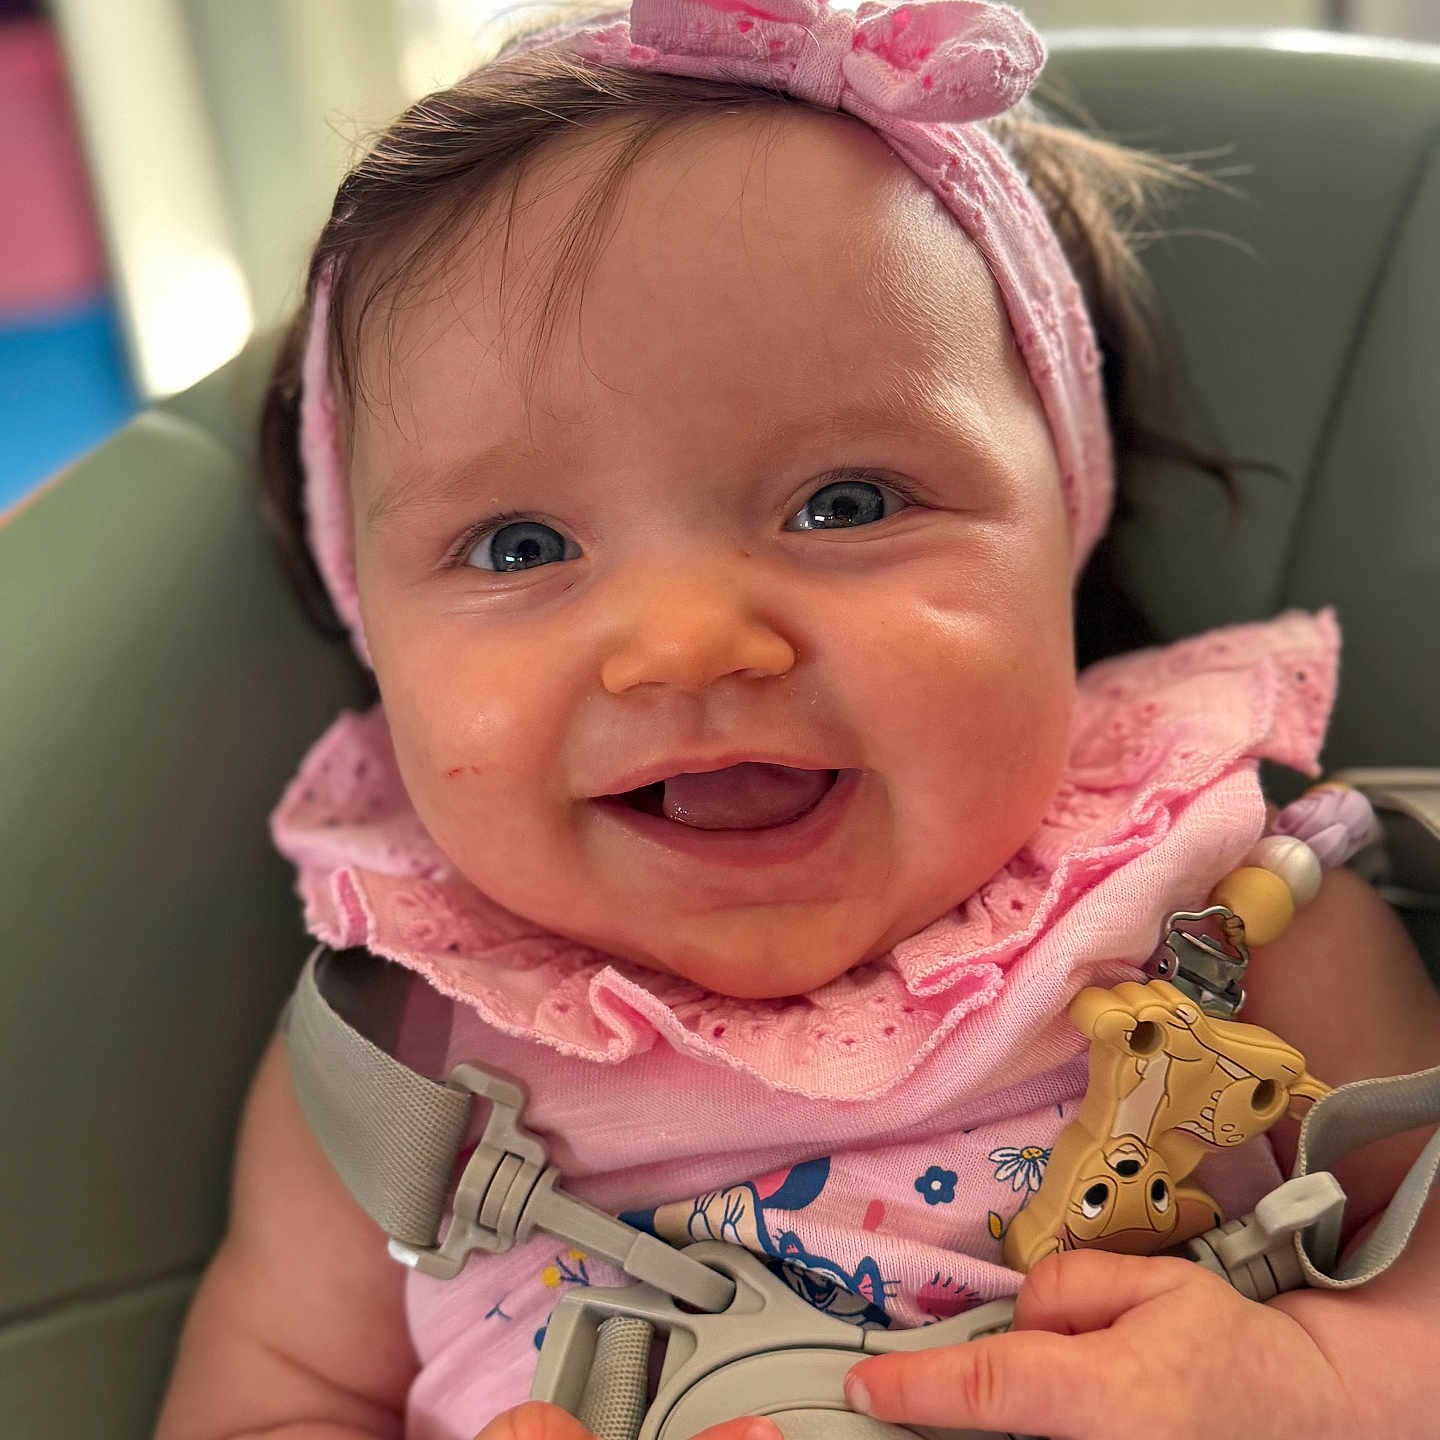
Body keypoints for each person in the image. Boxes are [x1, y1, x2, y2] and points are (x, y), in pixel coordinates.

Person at [154, 2, 1440, 1437]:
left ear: (1060, 540)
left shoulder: (1233, 916)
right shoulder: (402, 1048)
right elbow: (269, 1402)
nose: (688, 643)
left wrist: (1326, 1390)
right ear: (373, 637)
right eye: (520, 546)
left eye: (847, 504)